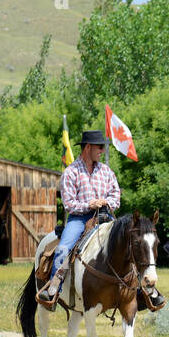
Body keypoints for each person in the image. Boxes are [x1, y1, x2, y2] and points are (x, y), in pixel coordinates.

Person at [37, 130, 120, 305]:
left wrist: (106, 202)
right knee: (63, 248)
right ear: (88, 147)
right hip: (79, 219)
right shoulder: (71, 172)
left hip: (105, 216)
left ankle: (142, 288)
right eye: (100, 147)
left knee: (126, 240)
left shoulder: (106, 171)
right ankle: (54, 287)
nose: (102, 151)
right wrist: (90, 204)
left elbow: (116, 195)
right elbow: (69, 204)